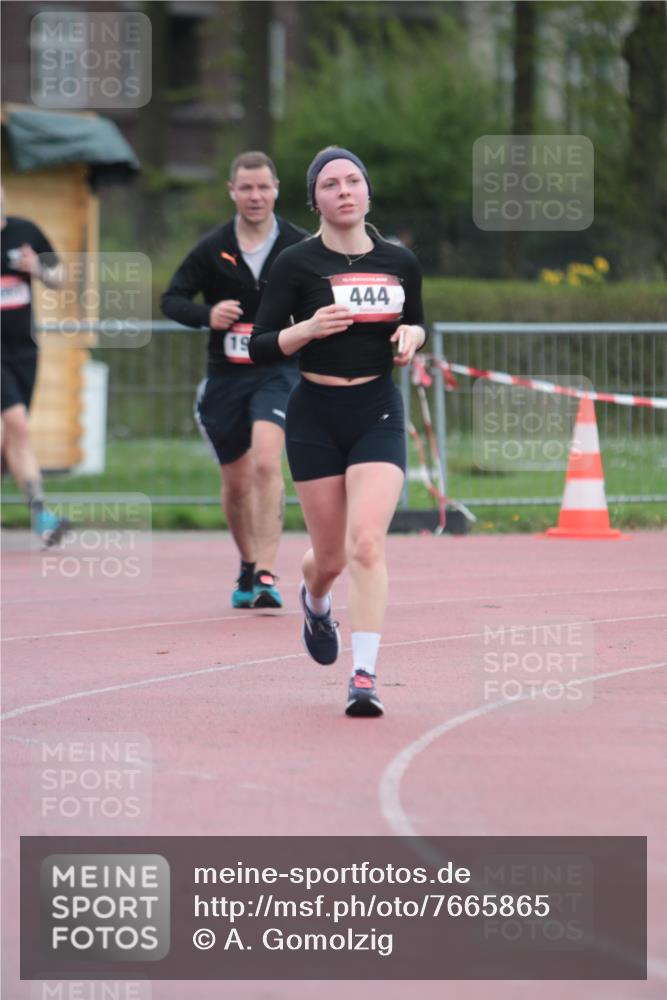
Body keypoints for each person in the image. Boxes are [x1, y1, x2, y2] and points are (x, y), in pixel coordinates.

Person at [250, 147, 427, 717]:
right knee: (329, 559)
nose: (344, 191)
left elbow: (416, 321)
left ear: (368, 192)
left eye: (353, 181)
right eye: (331, 184)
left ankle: (363, 675)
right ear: (315, 199)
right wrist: (306, 329)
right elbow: (259, 346)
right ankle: (316, 601)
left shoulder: (400, 261)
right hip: (315, 416)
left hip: (377, 409)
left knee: (366, 544)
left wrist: (414, 338)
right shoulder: (295, 264)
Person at [161, 152, 306, 609]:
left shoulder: (298, 245)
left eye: (263, 187)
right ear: (232, 192)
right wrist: (208, 315)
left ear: (276, 189)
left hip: (278, 371)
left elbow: (324, 296)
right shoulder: (214, 246)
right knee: (238, 483)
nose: (255, 196)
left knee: (266, 460)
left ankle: (266, 571)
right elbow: (171, 299)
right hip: (226, 376)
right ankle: (247, 563)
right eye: (246, 188)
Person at [1, 185, 69, 547]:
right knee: (18, 426)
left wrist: (38, 268)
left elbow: (61, 277)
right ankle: (43, 517)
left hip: (24, 352)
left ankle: (41, 517)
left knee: (9, 443)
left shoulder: (25, 231)